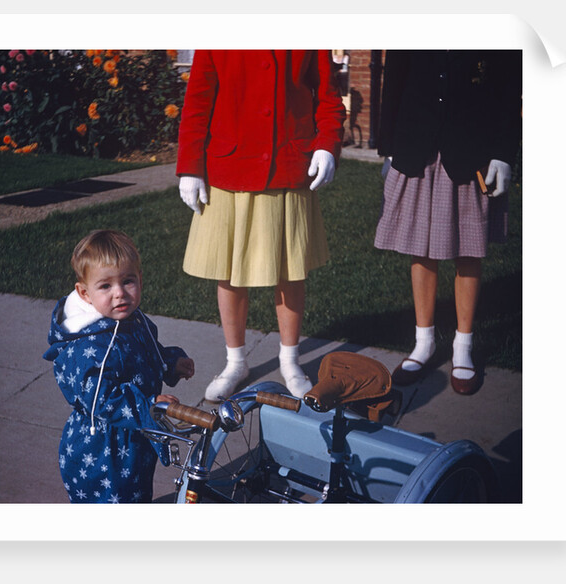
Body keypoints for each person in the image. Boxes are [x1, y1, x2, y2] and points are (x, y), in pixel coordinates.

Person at [176, 50, 346, 402]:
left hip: (288, 163)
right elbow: (198, 100)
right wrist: (190, 165)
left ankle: (290, 360)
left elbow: (329, 97)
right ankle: (235, 361)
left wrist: (327, 145)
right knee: (230, 271)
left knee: (290, 271)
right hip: (229, 166)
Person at [374, 50, 522, 395]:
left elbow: (508, 84)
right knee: (420, 247)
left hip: (472, 145)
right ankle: (423, 343)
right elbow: (394, 77)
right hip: (417, 142)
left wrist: (503, 151)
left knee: (468, 250)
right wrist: (389, 146)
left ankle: (462, 347)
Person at [43, 229, 195, 503]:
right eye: (105, 286)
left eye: (128, 281)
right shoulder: (88, 346)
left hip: (134, 435)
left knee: (135, 497)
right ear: (84, 293)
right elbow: (101, 399)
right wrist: (147, 404)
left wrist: (170, 362)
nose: (120, 294)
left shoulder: (131, 320)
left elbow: (143, 354)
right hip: (104, 447)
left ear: (141, 279)